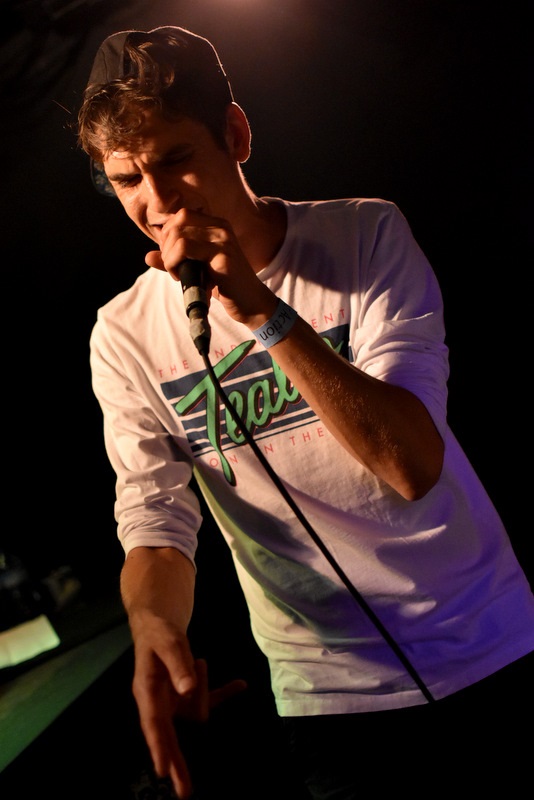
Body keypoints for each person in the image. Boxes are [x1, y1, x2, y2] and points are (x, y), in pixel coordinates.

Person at [77, 25, 534, 800]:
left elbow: (411, 463)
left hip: (489, 644)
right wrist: (155, 629)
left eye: (176, 158)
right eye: (126, 179)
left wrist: (262, 311)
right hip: (329, 701)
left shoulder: (365, 236)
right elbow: (154, 520)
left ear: (235, 134)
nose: (156, 201)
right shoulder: (123, 335)